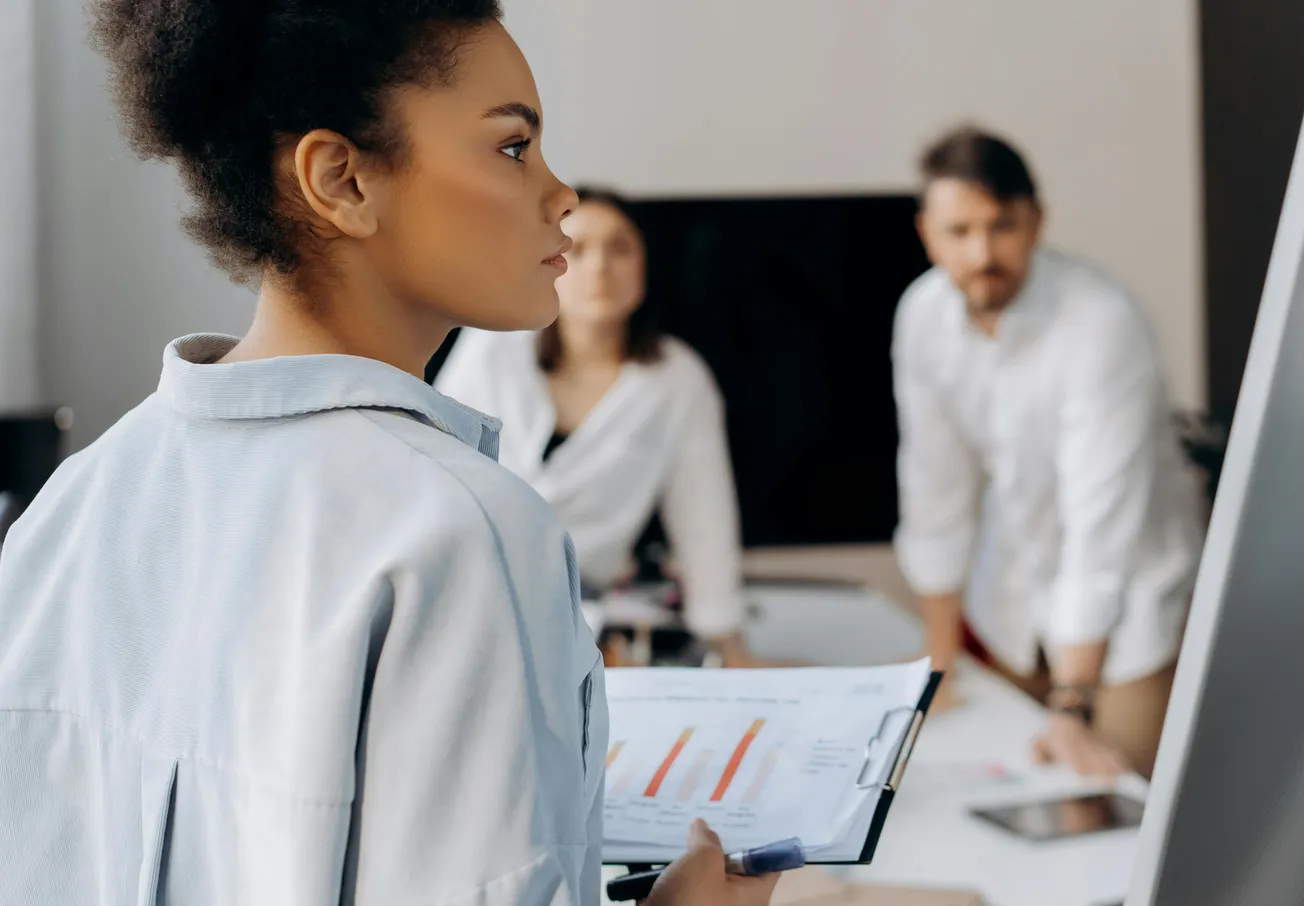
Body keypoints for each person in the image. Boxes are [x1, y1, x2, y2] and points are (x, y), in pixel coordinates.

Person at [0, 4, 778, 905]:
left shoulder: (72, 503)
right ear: (343, 181)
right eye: (513, 148)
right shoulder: (464, 531)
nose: (560, 194)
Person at [892, 126, 1203, 779]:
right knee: (987, 773)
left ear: (1035, 221)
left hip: (1129, 607)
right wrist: (939, 661)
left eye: (1002, 225)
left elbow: (1101, 524)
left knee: (1114, 794)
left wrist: (1071, 704)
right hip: (1013, 597)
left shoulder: (1101, 321)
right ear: (927, 233)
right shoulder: (920, 317)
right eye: (960, 231)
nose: (982, 252)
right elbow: (934, 493)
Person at [435, 189, 757, 667]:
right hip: (464, 595)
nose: (600, 268)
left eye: (620, 248)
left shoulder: (677, 380)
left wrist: (729, 647)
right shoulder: (493, 347)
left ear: (645, 267)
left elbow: (705, 524)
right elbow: (434, 466)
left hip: (581, 621)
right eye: (578, 249)